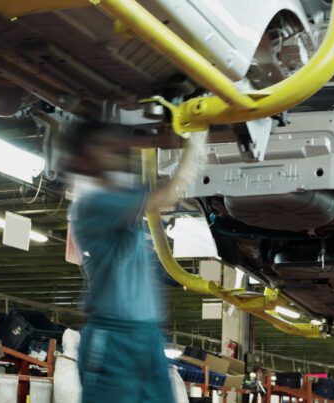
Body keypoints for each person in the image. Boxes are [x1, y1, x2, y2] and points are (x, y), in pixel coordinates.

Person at [60, 120, 206, 403]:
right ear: (81, 159)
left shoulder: (121, 197)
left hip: (147, 335)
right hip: (113, 338)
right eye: (102, 147)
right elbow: (167, 198)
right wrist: (196, 141)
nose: (114, 150)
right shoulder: (93, 202)